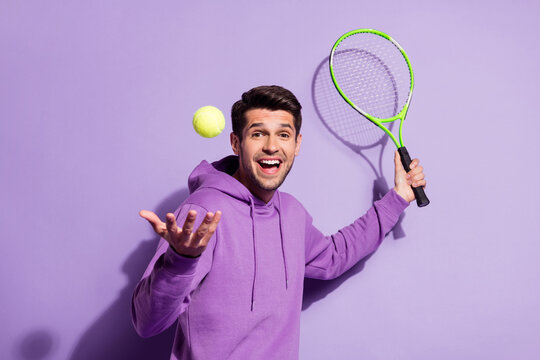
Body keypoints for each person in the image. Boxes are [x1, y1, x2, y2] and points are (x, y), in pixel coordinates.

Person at [131, 85, 426, 360]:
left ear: (297, 144)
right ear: (236, 142)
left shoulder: (291, 213)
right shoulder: (204, 212)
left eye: (283, 135)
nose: (272, 146)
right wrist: (181, 261)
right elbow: (147, 323)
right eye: (258, 134)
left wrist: (397, 198)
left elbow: (333, 256)